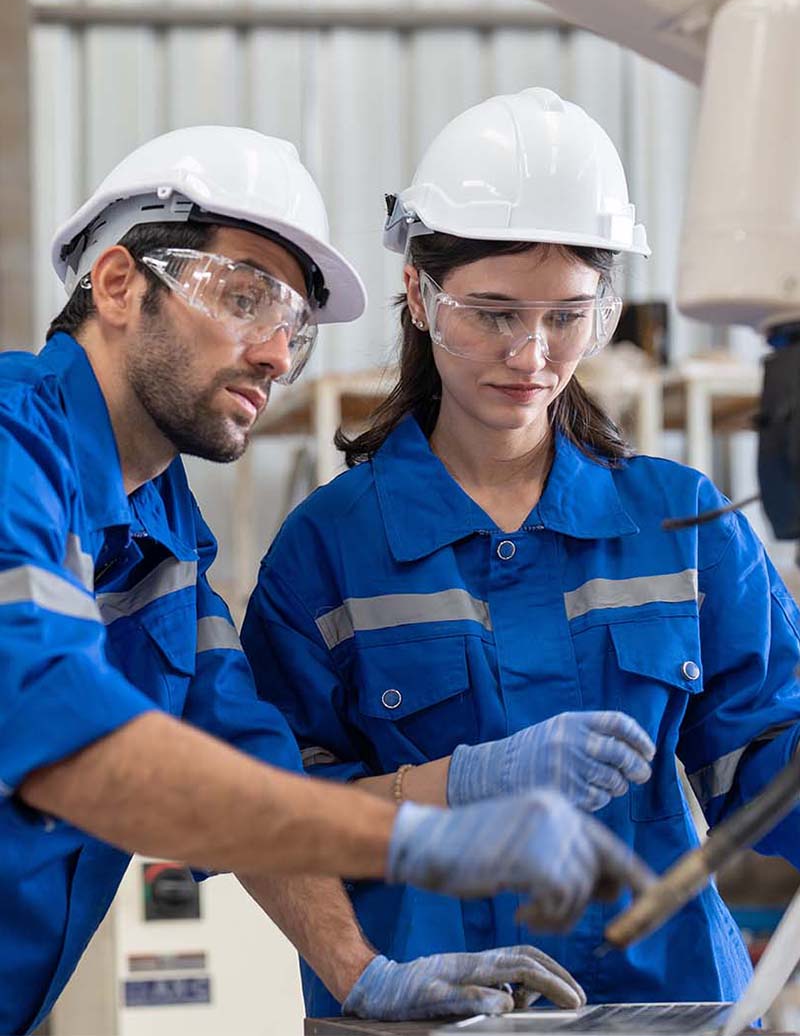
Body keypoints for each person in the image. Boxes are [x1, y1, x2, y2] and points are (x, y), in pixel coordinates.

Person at [0, 124, 652, 1035]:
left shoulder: (164, 527)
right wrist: (420, 835)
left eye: (294, 329)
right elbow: (64, 744)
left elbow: (240, 769)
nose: (274, 356)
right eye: (242, 298)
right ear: (116, 284)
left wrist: (360, 972)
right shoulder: (11, 451)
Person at [242, 87, 800, 1017]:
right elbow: (270, 811)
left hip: (672, 1003)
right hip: (435, 1007)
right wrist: (450, 789)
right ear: (419, 297)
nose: (531, 355)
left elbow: (763, 766)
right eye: (491, 313)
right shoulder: (330, 549)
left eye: (568, 316)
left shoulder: (678, 523)